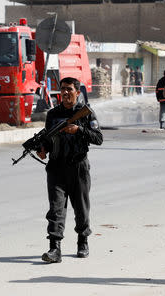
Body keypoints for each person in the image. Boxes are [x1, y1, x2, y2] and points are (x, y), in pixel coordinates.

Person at [37, 77, 103, 263]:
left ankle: (82, 241)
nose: (65, 93)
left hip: (78, 167)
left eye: (69, 89)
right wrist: (43, 149)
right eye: (62, 89)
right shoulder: (53, 114)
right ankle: (54, 249)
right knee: (56, 209)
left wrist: (79, 130)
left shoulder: (86, 113)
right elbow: (49, 139)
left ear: (78, 92)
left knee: (81, 208)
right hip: (56, 167)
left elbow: (98, 138)